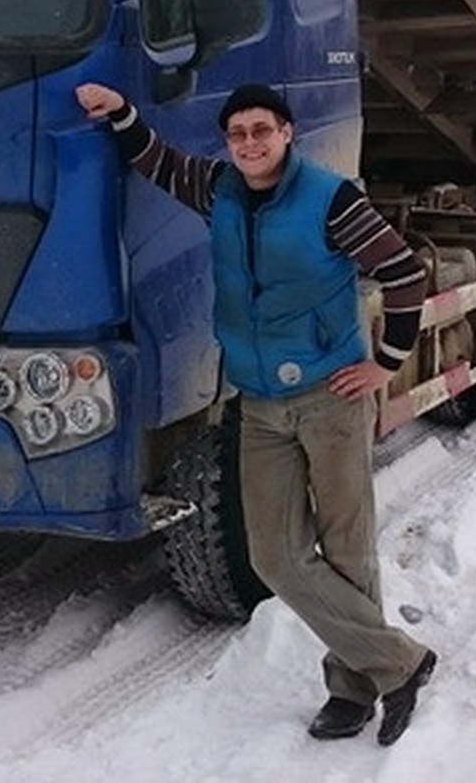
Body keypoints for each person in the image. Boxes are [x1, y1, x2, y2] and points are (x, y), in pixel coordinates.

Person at [75, 80, 437, 746]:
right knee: (275, 555)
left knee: (347, 546)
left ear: (287, 133)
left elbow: (404, 274)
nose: (249, 143)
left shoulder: (331, 199)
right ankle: (400, 663)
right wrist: (119, 112)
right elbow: (153, 159)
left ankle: (352, 689)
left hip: (332, 396)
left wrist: (385, 361)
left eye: (261, 131)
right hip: (259, 402)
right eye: (238, 133)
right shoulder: (219, 190)